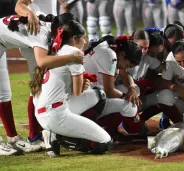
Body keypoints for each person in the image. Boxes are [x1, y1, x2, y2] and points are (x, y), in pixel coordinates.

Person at [0, 13, 84, 153]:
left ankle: (30, 137)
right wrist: (72, 57)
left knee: (37, 85)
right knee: (3, 94)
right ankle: (14, 138)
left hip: (10, 42)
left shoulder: (48, 26)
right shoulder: (41, 32)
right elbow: (42, 61)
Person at [32, 20, 112, 157]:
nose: (85, 42)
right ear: (75, 38)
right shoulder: (75, 53)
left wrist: (83, 82)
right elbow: (77, 92)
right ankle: (58, 137)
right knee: (105, 143)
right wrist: (83, 83)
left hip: (43, 111)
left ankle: (54, 131)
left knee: (97, 95)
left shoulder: (56, 48)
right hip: (56, 114)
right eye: (83, 37)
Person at [15, 0, 58, 146]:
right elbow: (19, 5)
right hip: (35, 35)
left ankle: (40, 131)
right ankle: (34, 135)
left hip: (43, 32)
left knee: (45, 81)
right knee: (39, 83)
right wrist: (29, 13)